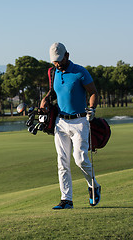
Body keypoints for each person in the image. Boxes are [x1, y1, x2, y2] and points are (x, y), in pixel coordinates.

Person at [40, 42, 101, 209]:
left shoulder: (80, 72)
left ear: (67, 55)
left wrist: (92, 109)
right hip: (60, 123)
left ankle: (93, 185)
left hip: (80, 122)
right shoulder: (52, 73)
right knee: (62, 162)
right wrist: (45, 99)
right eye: (54, 62)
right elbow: (54, 92)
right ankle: (66, 200)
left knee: (80, 160)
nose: (57, 64)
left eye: (59, 60)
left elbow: (94, 92)